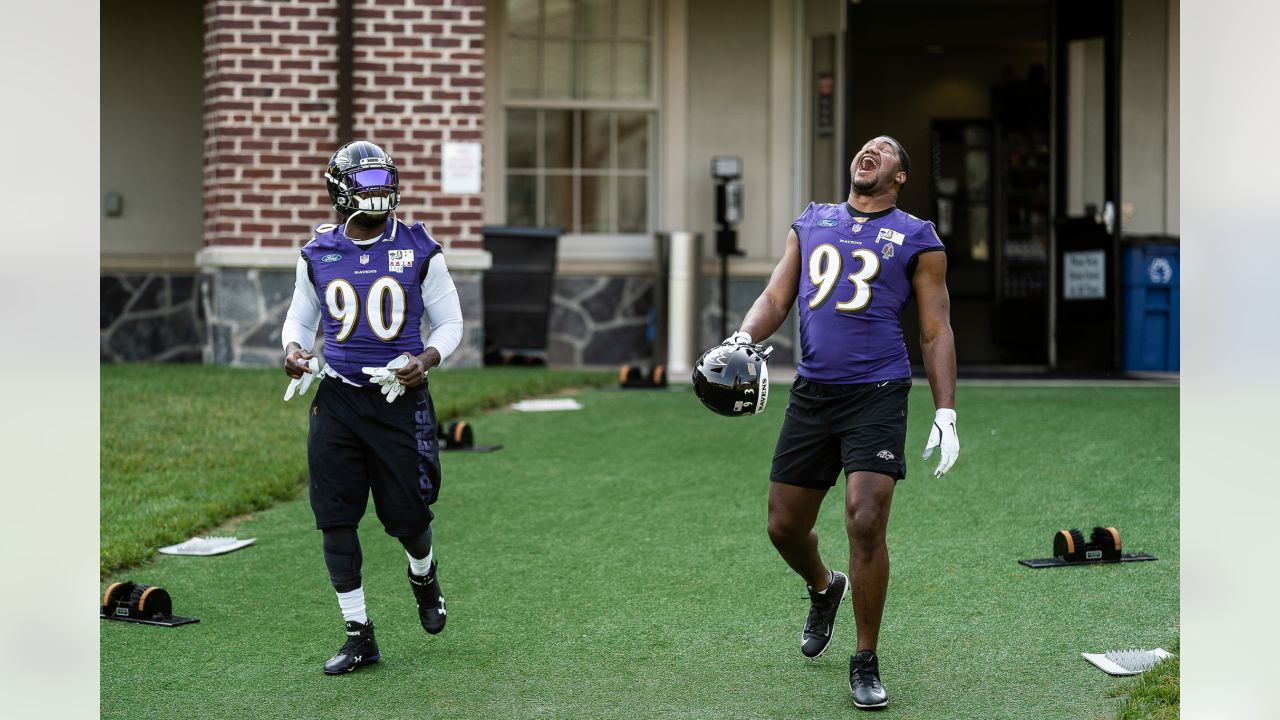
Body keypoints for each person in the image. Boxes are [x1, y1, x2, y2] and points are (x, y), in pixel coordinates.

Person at [724, 136, 959, 709]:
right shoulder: (812, 220)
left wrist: (946, 411)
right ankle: (825, 588)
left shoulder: (917, 236)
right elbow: (778, 297)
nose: (869, 152)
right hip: (812, 393)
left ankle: (865, 658)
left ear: (900, 175)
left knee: (865, 520)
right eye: (865, 147)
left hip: (877, 393)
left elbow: (935, 328)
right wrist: (740, 340)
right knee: (783, 526)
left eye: (884, 150)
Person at [280, 140, 465, 675]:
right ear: (341, 190)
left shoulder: (419, 245)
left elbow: (450, 323)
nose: (379, 191)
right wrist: (293, 351)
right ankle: (359, 634)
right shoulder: (317, 252)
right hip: (337, 396)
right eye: (367, 182)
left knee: (407, 518)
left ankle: (424, 575)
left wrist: (425, 359)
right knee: (335, 518)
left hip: (397, 397)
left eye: (384, 179)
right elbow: (300, 320)